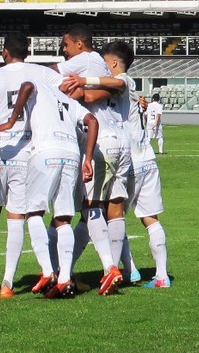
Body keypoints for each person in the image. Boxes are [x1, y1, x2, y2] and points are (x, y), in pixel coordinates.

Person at [69, 41, 170, 288]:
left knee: (99, 213)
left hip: (125, 156)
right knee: (145, 217)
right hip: (145, 155)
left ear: (113, 62)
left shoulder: (123, 80)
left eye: (105, 62)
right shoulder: (131, 90)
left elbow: (99, 91)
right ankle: (158, 275)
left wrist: (81, 81)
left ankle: (113, 269)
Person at [0, 32, 62, 299]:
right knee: (17, 217)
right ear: (27, 52)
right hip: (27, 152)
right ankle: (7, 284)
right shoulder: (41, 73)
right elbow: (67, 89)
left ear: (4, 52)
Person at [0, 78, 98, 299]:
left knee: (34, 212)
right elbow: (92, 121)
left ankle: (48, 271)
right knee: (63, 218)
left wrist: (12, 120)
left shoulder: (42, 86)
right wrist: (87, 159)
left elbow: (26, 86)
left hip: (46, 150)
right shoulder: (70, 102)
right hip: (71, 154)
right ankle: (64, 280)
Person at [54, 23, 126, 295]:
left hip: (98, 142)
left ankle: (109, 268)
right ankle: (68, 271)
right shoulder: (106, 71)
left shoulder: (84, 60)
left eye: (66, 45)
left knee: (88, 207)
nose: (64, 51)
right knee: (93, 210)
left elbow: (52, 76)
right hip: (119, 143)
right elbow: (99, 92)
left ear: (79, 44)